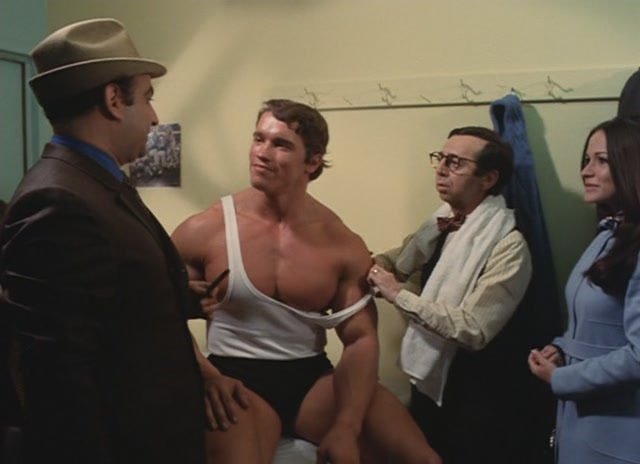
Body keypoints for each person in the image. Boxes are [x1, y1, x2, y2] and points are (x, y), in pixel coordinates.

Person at [172, 99, 442, 464]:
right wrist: (206, 376)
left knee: (422, 459)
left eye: (280, 144)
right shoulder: (205, 229)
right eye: (258, 139)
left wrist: (346, 427)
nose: (262, 152)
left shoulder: (340, 242)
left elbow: (360, 338)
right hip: (233, 377)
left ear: (312, 162)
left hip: (311, 381)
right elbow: (162, 318)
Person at [0, 19, 206, 463]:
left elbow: (105, 304)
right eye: (147, 97)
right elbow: (59, 381)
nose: (154, 117)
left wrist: (176, 295)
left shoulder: (97, 182)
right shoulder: (58, 200)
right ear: (114, 99)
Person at [368, 126, 534, 463]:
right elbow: (397, 260)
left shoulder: (508, 245)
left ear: (488, 178)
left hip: (475, 394)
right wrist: (360, 261)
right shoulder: (440, 223)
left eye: (455, 163)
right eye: (440, 158)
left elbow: (474, 329)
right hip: (429, 382)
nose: (441, 169)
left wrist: (398, 295)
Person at [529, 116, 640, 464]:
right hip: (583, 419)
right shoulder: (608, 234)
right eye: (586, 160)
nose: (585, 171)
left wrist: (563, 378)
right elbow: (597, 325)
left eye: (601, 160)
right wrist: (562, 348)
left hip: (618, 428)